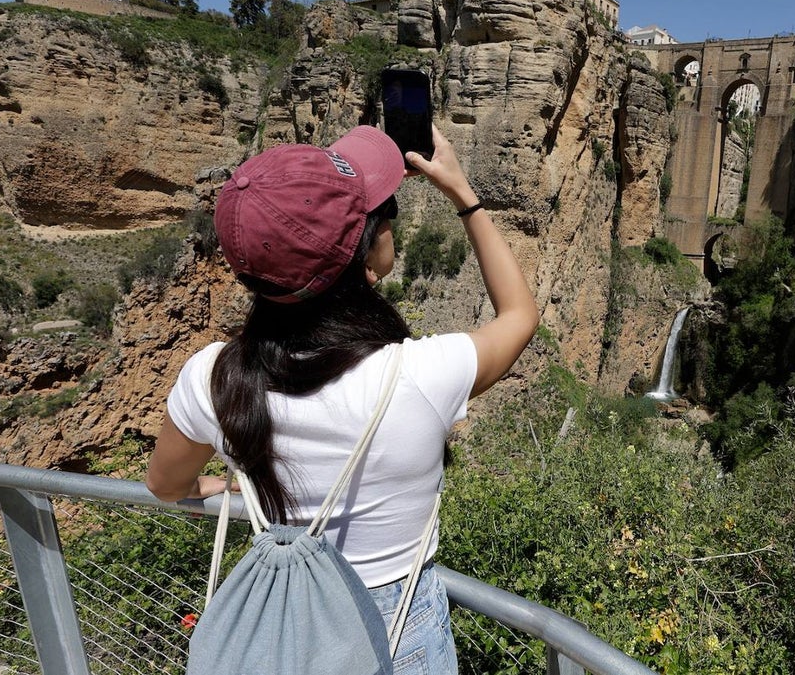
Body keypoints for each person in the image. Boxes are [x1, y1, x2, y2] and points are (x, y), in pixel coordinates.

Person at [145, 124, 539, 673]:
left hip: (282, 636)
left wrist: (216, 485)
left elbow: (165, 486)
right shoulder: (419, 373)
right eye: (385, 214)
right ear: (369, 252)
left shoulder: (213, 376)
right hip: (402, 636)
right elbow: (520, 315)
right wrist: (464, 196)